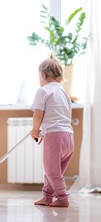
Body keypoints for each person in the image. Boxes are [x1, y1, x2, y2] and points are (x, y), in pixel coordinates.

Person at [31, 54, 74, 207]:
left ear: (42, 75)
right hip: (68, 137)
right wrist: (45, 131)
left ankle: (63, 197)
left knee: (52, 171)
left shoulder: (43, 91)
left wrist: (35, 130)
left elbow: (38, 113)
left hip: (55, 137)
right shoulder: (63, 92)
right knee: (54, 171)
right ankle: (47, 196)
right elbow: (59, 115)